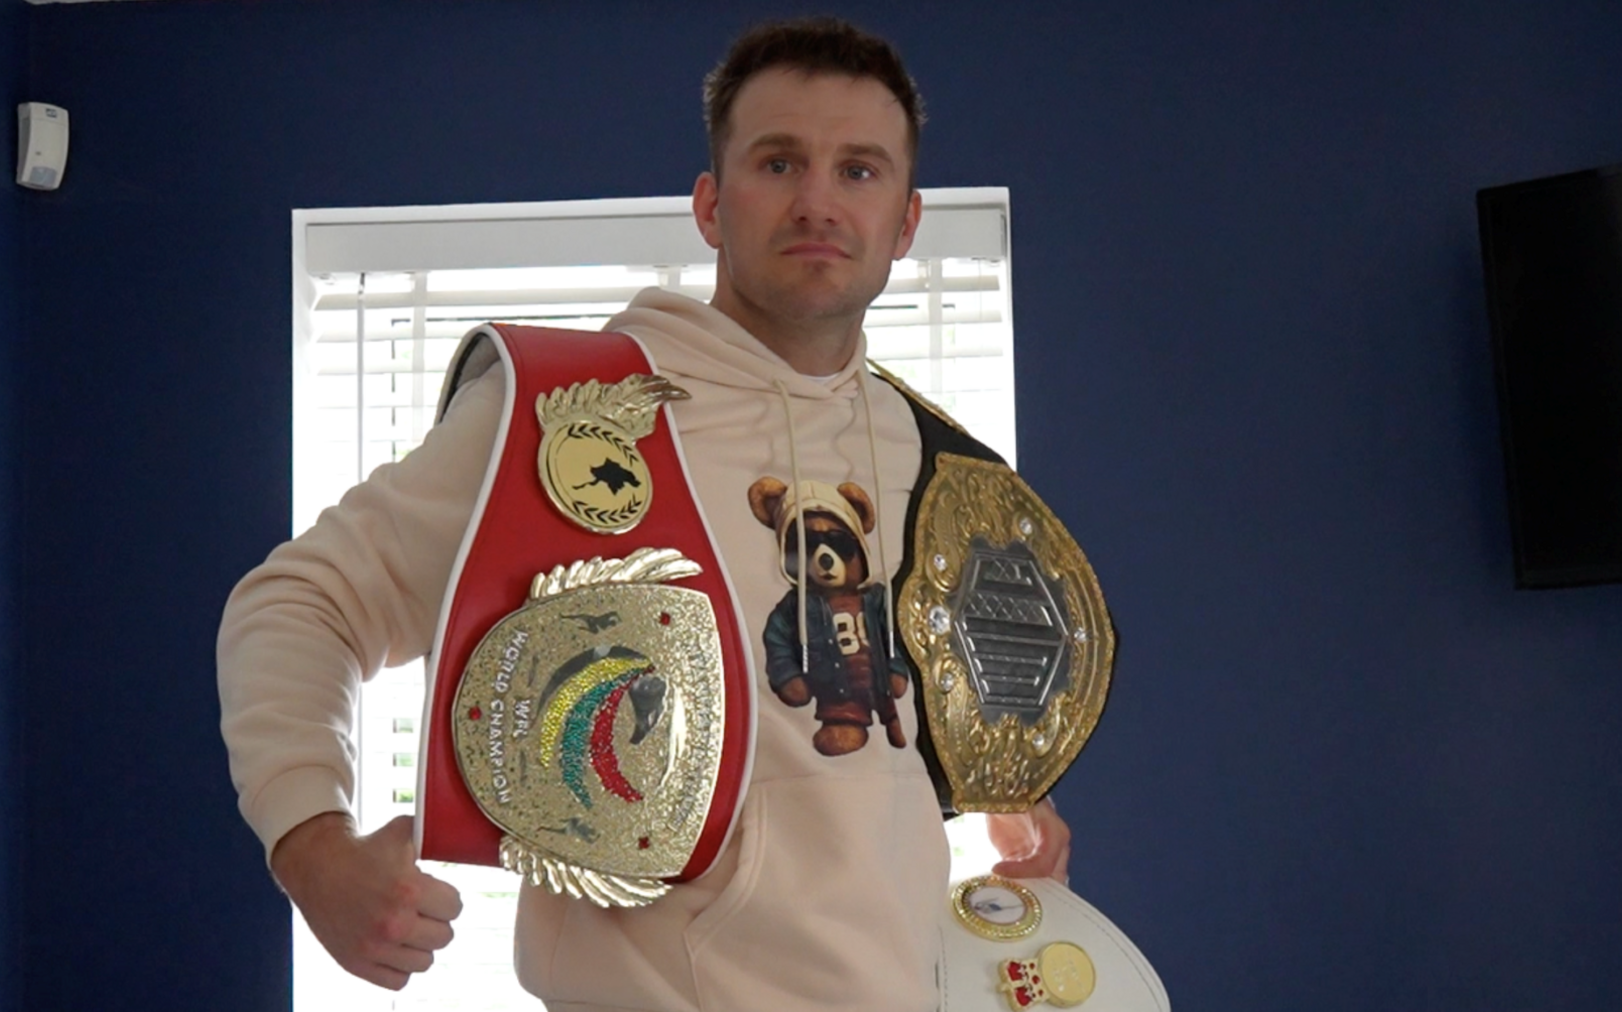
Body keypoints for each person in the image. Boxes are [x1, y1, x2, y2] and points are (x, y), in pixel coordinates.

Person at [218, 16, 1071, 1011]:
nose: (817, 202)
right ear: (711, 203)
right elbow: (303, 600)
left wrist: (1002, 787)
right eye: (779, 161)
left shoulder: (927, 459)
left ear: (907, 221)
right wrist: (309, 844)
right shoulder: (572, 415)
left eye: (860, 170)